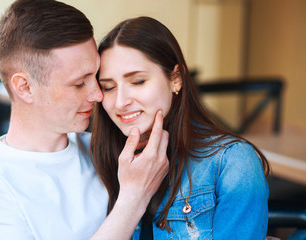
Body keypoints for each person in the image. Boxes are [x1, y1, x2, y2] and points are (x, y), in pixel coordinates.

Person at [0, 1, 169, 239]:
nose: (97, 94)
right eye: (79, 83)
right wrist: (134, 198)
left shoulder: (111, 151)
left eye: (96, 77)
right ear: (25, 87)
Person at [91, 16, 270, 239]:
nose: (120, 101)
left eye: (138, 81)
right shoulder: (96, 158)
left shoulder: (232, 162)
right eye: (108, 87)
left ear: (176, 78)